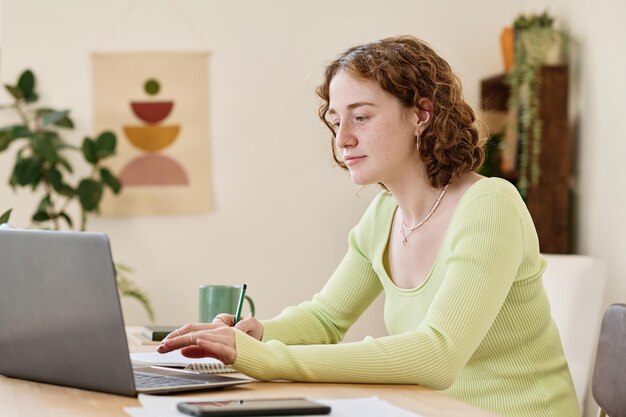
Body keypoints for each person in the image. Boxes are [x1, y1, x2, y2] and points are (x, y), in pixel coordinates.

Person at [157, 36, 580, 417]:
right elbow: (325, 318)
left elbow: (438, 355)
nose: (342, 139)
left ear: (422, 115)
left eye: (360, 117)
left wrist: (267, 358)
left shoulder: (490, 206)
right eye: (336, 119)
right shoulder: (383, 214)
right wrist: (260, 333)